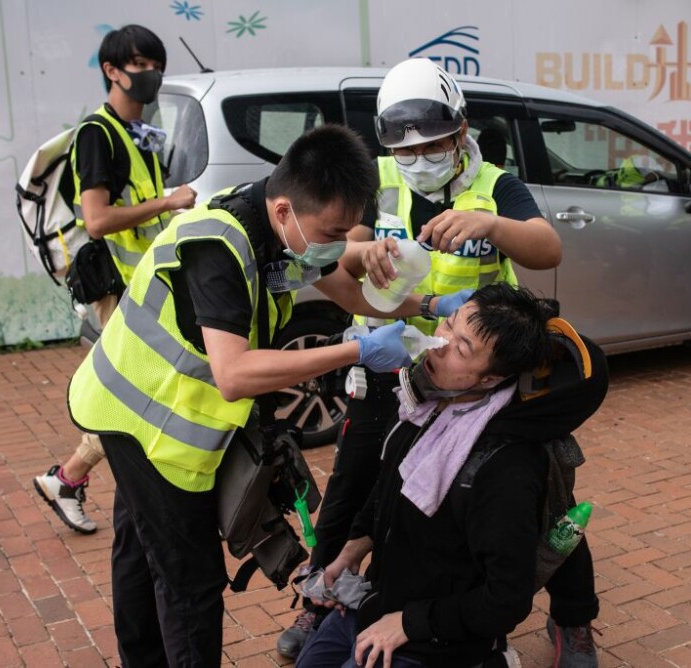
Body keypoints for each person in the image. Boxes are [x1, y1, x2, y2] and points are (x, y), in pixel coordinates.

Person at [65, 124, 471, 667]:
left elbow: (349, 289)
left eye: (347, 230)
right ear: (284, 210)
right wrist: (354, 352)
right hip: (146, 422)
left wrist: (428, 305)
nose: (340, 244)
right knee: (190, 578)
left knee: (142, 552)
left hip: (152, 412)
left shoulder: (288, 235)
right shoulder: (220, 243)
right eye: (333, 231)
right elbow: (233, 374)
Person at [278, 56, 575, 661]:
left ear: (461, 132)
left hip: (466, 373)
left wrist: (491, 224)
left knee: (535, 496)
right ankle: (322, 600)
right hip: (390, 362)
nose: (418, 160)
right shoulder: (380, 178)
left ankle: (573, 617)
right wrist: (367, 249)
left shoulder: (494, 186)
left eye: (433, 145)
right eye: (405, 150)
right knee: (358, 481)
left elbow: (548, 249)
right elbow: (337, 242)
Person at [296, 283, 609, 668]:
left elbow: (506, 601)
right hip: (375, 605)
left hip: (434, 641)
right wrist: (347, 557)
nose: (439, 343)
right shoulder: (428, 408)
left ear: (491, 380)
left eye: (462, 348)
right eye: (447, 324)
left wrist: (410, 623)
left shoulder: (504, 469)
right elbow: (388, 492)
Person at [34, 24, 197, 535]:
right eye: (140, 66)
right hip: (119, 291)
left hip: (147, 285)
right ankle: (72, 477)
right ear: (111, 71)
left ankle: (67, 478)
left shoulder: (139, 134)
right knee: (132, 399)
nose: (150, 75)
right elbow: (98, 219)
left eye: (156, 66)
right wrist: (168, 202)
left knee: (136, 396)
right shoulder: (97, 135)